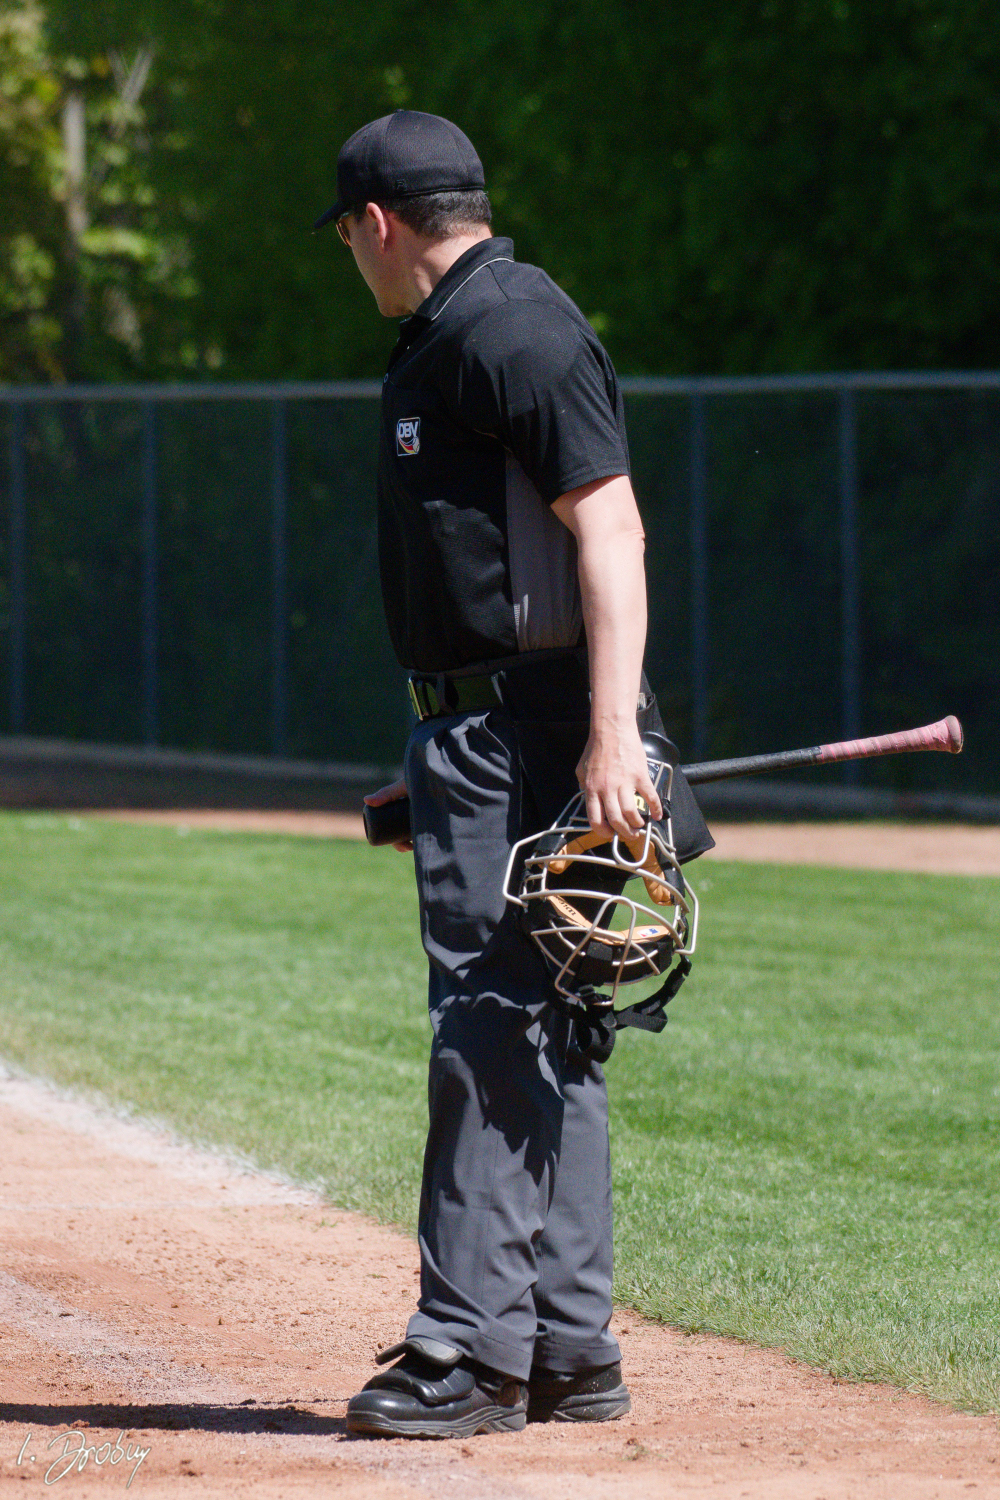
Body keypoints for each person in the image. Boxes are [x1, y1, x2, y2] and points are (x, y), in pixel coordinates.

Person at [314, 109, 713, 1439]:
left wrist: (608, 735)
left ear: (378, 224)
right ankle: (561, 1347)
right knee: (552, 1018)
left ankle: (469, 1356)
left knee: (490, 1022)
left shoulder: (512, 328)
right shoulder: (459, 331)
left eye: (346, 234)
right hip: (490, 736)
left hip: (530, 736)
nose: (350, 256)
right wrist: (435, 757)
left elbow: (612, 531)